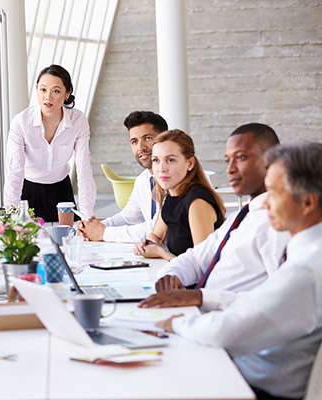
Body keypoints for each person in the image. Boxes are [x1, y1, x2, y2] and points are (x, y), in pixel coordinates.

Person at [156, 141, 322, 400]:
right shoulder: (308, 256)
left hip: (251, 385)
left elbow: (224, 331)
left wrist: (176, 323)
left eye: (275, 194)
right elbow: (262, 303)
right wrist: (202, 299)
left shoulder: (306, 269)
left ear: (308, 203)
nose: (265, 205)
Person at [139, 123, 289, 310]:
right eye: (227, 161)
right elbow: (196, 257)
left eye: (241, 158)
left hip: (226, 321)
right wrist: (171, 275)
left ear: (272, 161)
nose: (230, 169)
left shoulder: (278, 224)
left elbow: (277, 300)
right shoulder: (240, 218)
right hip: (200, 310)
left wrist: (201, 298)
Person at [3, 64, 96, 222]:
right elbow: (14, 172)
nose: (48, 97)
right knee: (28, 242)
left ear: (67, 94)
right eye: (43, 89)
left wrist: (88, 217)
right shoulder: (21, 122)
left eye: (56, 91)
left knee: (68, 238)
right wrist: (10, 217)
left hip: (61, 190)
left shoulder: (78, 121)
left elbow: (84, 169)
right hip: (29, 190)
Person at [134, 129, 225, 260]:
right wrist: (145, 245)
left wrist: (161, 253)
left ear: (190, 163)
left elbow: (203, 263)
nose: (161, 169)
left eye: (171, 160)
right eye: (156, 160)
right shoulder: (172, 194)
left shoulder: (197, 201)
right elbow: (156, 235)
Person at [78, 111, 168, 242]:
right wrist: (93, 228)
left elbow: (158, 229)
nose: (141, 147)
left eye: (147, 138)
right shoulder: (143, 180)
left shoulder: (174, 179)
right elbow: (127, 218)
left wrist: (103, 233)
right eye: (134, 141)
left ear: (165, 139)